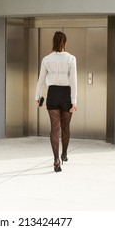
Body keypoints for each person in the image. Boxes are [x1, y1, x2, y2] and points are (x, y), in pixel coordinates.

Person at [35, 31, 77, 173]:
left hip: (52, 94)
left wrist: (37, 97)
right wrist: (74, 101)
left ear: (53, 41)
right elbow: (73, 81)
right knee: (66, 127)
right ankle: (64, 153)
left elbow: (40, 80)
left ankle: (56, 160)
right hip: (66, 94)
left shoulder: (46, 59)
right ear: (65, 42)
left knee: (55, 129)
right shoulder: (71, 58)